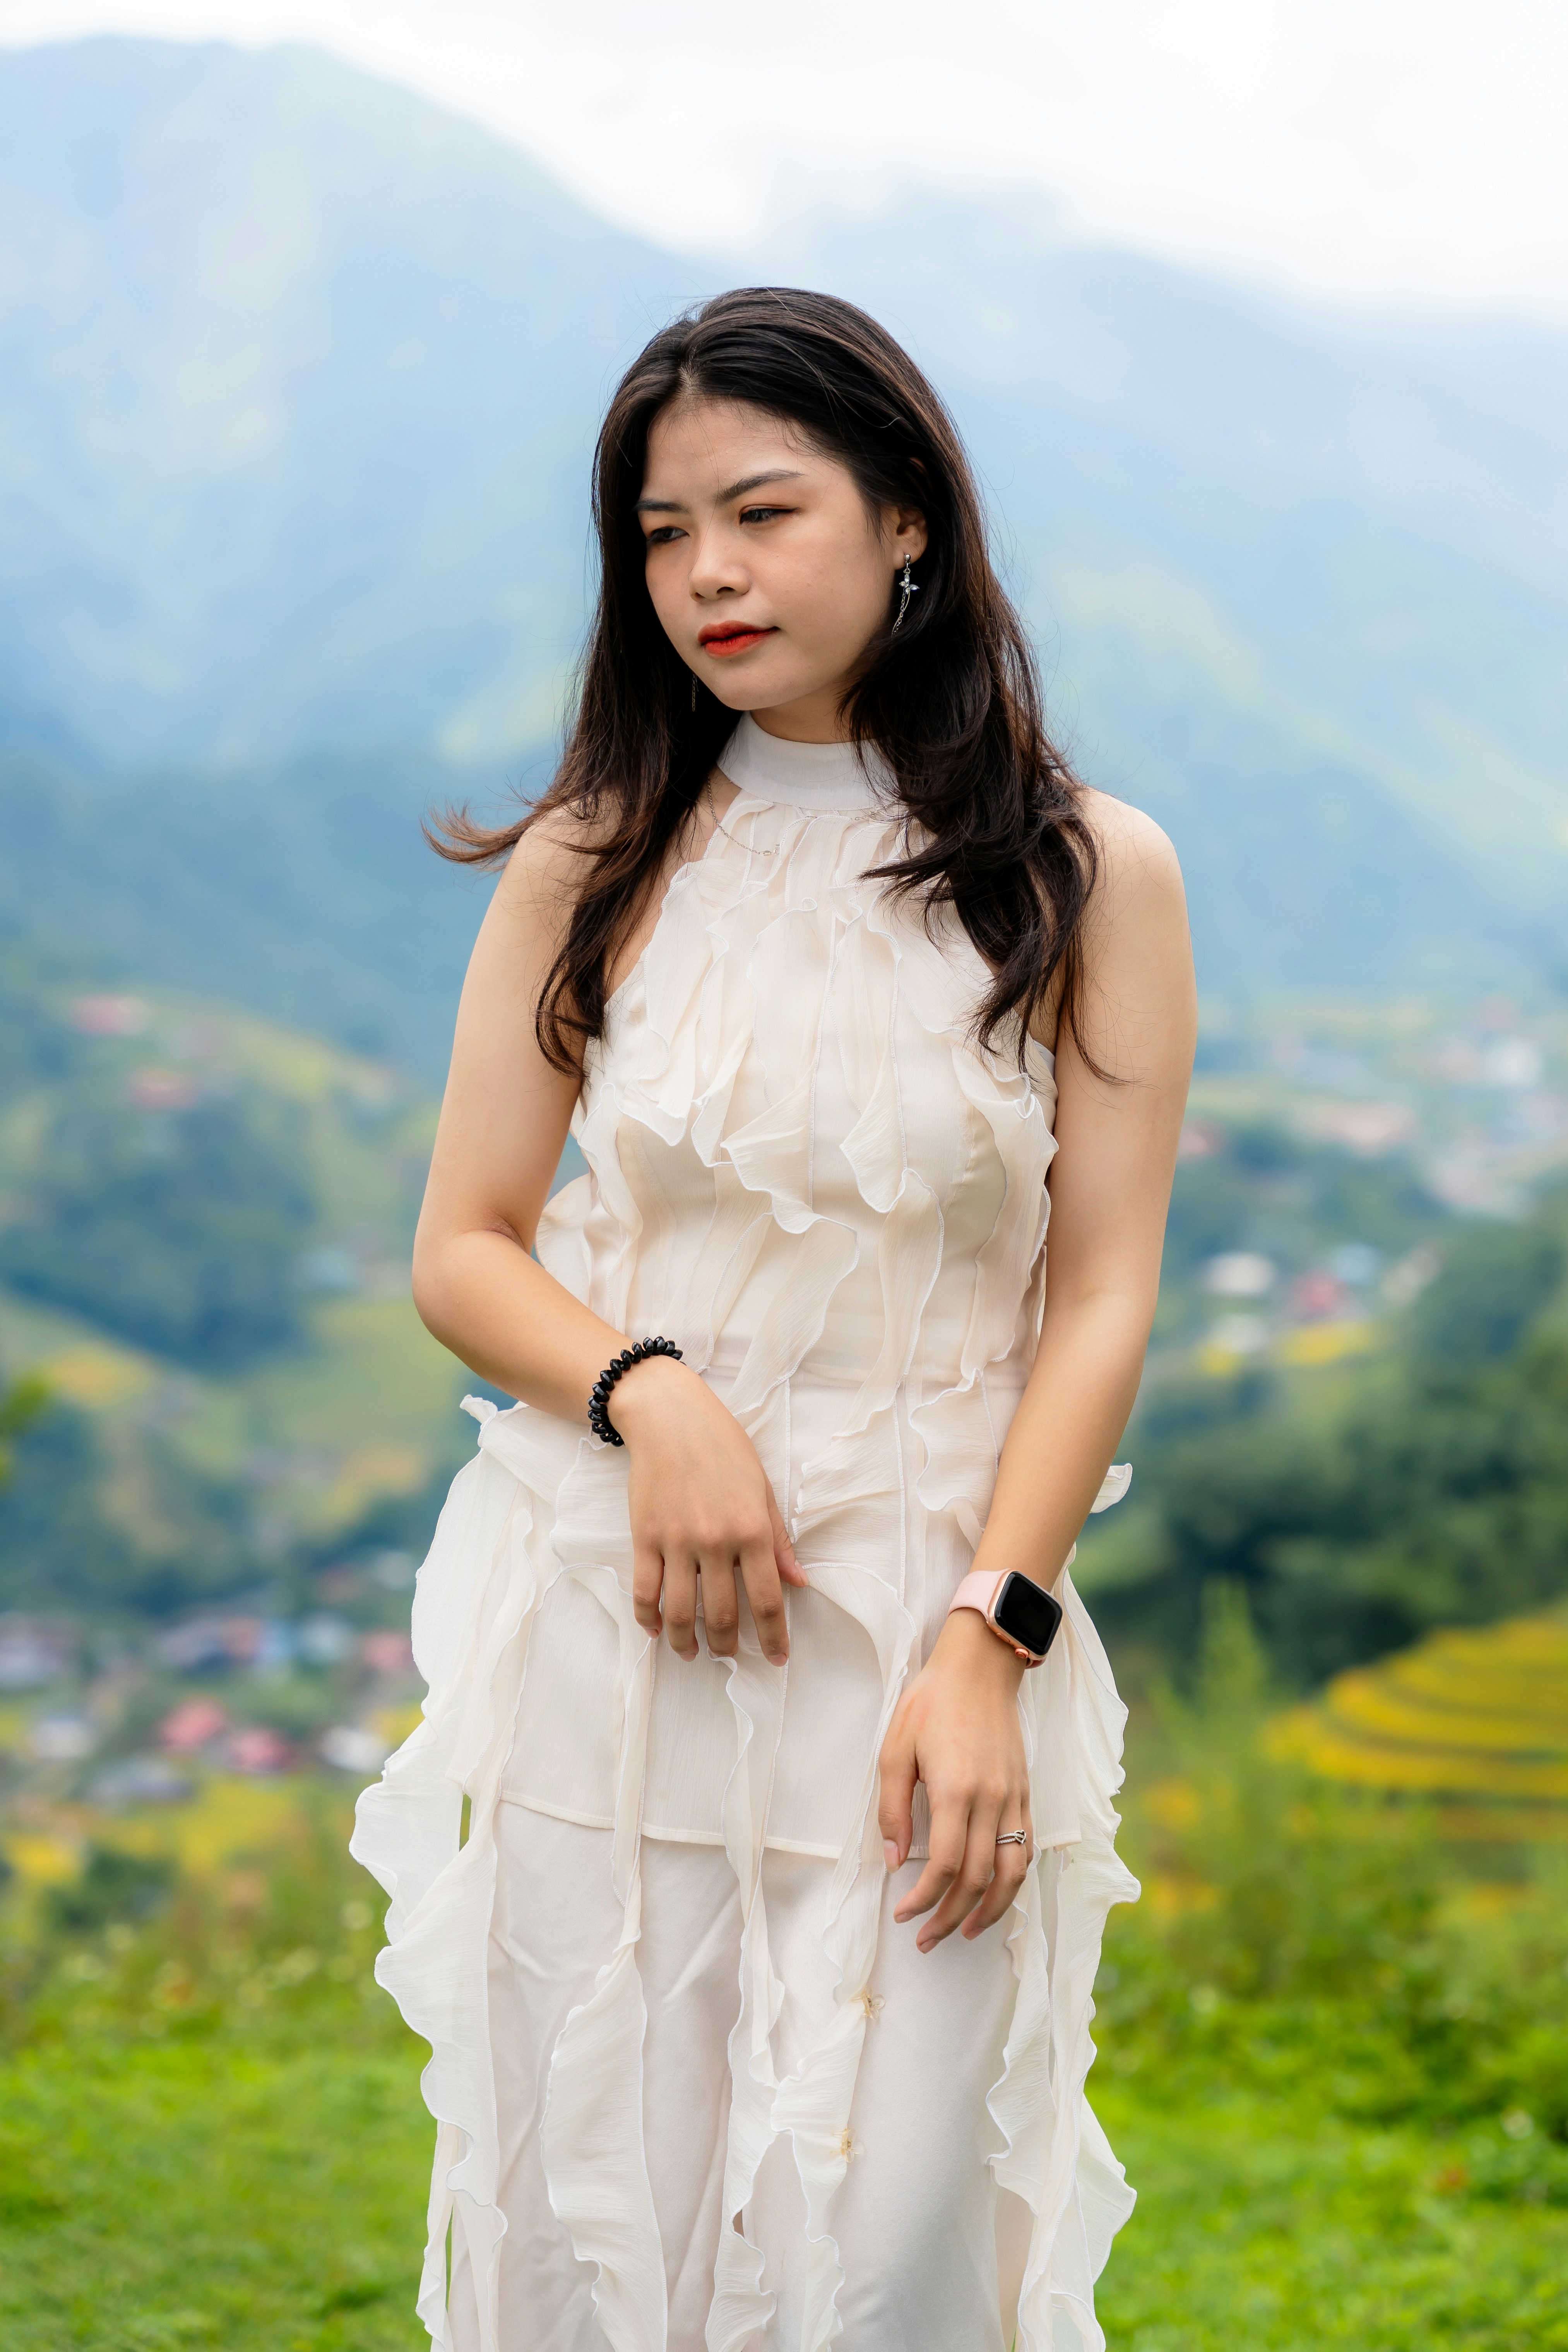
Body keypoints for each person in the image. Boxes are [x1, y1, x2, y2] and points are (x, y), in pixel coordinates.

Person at [353, 286, 1196, 2352]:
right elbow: (464, 1244)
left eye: (759, 511)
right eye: (658, 533)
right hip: (619, 1628)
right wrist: (650, 1398)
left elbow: (1099, 1300)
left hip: (929, 1635)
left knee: (887, 2254)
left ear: (904, 515)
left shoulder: (1087, 874)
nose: (706, 573)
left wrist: (990, 1640)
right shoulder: (591, 860)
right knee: (598, 2233)